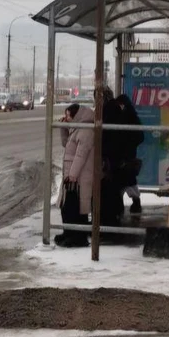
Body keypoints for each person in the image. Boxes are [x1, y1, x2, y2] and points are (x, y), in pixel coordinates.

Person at [55, 104, 94, 248]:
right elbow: (66, 144)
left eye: (68, 116)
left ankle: (78, 236)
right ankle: (69, 233)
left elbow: (81, 155)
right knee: (67, 206)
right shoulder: (77, 128)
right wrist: (63, 127)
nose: (66, 118)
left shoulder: (86, 130)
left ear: (76, 116)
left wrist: (72, 174)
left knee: (76, 207)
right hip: (72, 175)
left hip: (79, 176)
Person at [96, 87, 126, 226]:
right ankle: (114, 214)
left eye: (97, 97)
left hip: (110, 156)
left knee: (108, 187)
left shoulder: (109, 110)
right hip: (115, 154)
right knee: (113, 187)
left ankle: (109, 218)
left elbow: (108, 134)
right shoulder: (114, 108)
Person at [115, 93, 144, 214]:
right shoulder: (132, 116)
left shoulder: (127, 117)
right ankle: (134, 203)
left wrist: (127, 143)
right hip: (127, 153)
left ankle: (128, 204)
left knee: (125, 179)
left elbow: (139, 136)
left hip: (125, 154)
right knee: (128, 179)